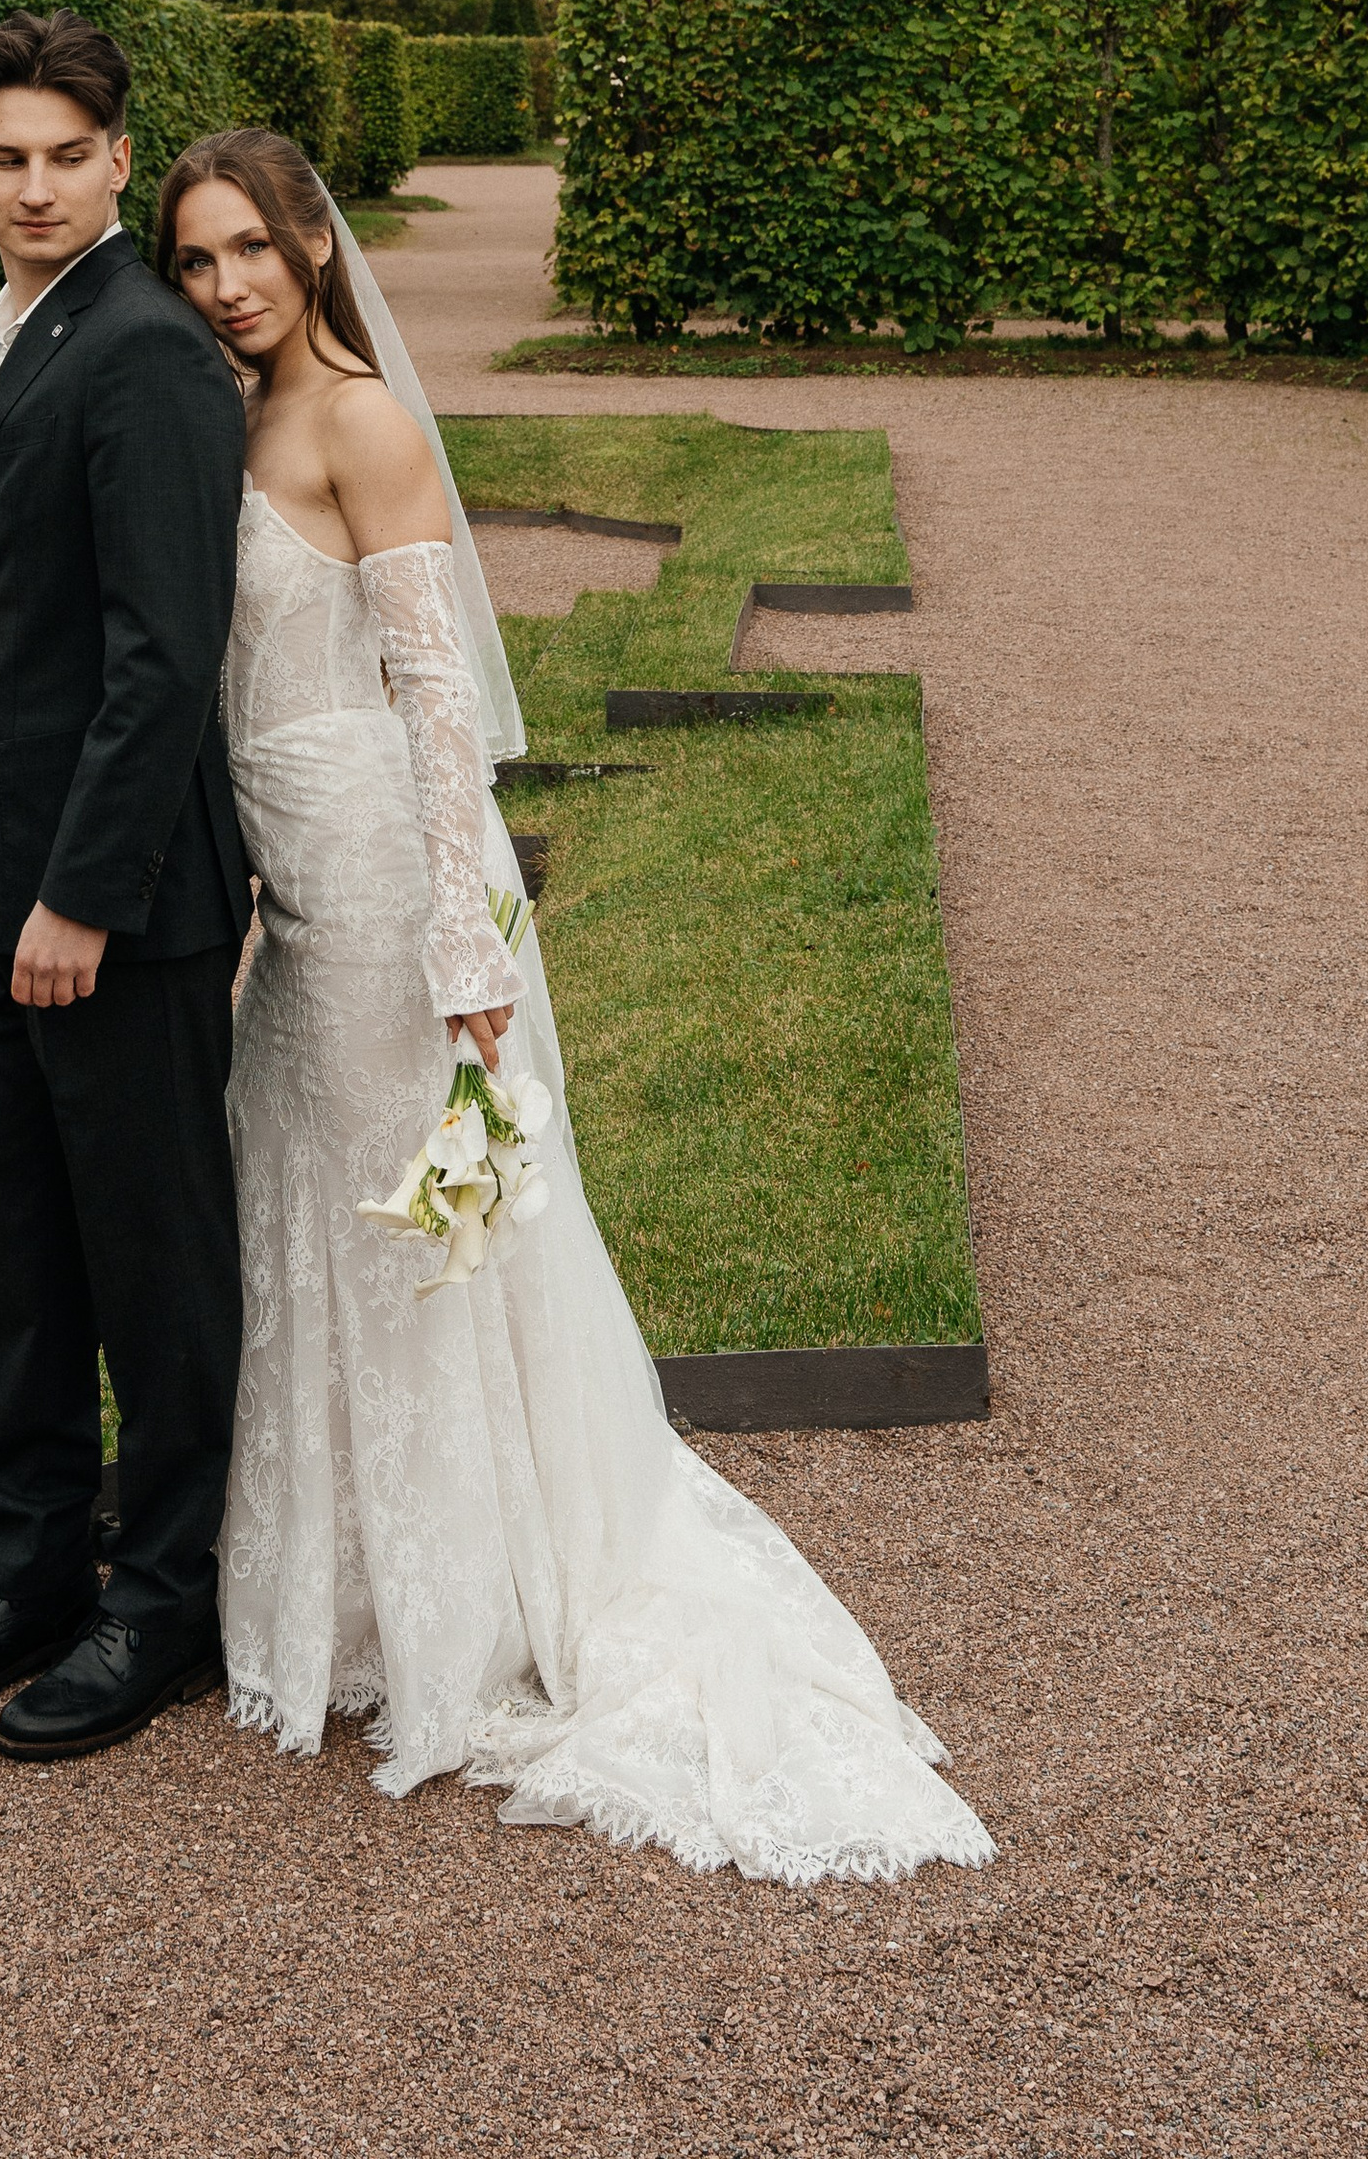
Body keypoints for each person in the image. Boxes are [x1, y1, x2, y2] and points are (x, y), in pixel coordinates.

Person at [160, 124, 994, 1881]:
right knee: (309, 1205)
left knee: (419, 1237)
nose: (225, 283)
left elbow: (437, 699)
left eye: (247, 247)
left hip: (388, 883)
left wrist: (473, 956)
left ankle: (461, 1609)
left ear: (312, 246)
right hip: (282, 890)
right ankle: (339, 1584)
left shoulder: (362, 425)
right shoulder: (216, 417)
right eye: (195, 260)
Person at [0, 11, 253, 1763]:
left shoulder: (152, 350)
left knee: (153, 1263)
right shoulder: (16, 334)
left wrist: (83, 898)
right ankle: (23, 1570)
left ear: (117, 159)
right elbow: (53, 581)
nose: (34, 185)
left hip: (115, 905)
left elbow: (169, 653)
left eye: (66, 156)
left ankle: (161, 1599)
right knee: (20, 1251)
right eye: (4, 157)